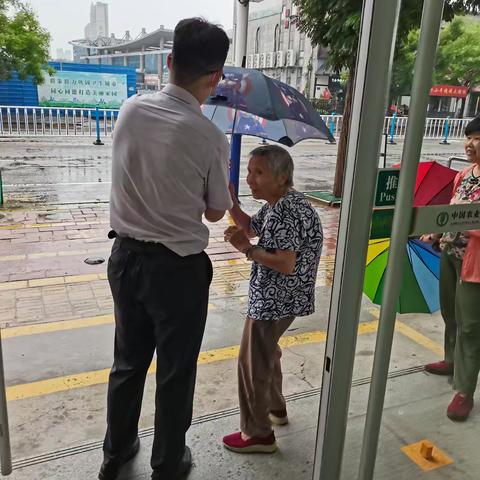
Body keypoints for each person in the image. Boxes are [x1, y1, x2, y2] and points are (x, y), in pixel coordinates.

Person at [99, 18, 231, 480]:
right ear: (215, 77)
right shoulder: (211, 136)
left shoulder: (130, 110)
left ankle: (116, 455)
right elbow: (217, 212)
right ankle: (167, 463)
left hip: (125, 260)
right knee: (176, 373)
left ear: (170, 62)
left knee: (128, 362)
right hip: (178, 271)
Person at [221, 145, 323, 453]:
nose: (250, 179)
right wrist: (230, 200)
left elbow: (285, 262)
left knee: (252, 361)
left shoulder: (285, 210)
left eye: (259, 173)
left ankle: (258, 434)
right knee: (267, 353)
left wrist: (246, 249)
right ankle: (276, 409)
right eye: (249, 171)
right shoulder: (281, 202)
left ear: (281, 177)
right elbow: (250, 227)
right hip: (282, 297)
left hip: (276, 298)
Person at [422, 116, 480, 422]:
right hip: (449, 253)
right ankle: (450, 359)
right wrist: (435, 231)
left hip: (475, 264)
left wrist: (465, 225)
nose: (469, 145)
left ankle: (464, 390)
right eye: (468, 138)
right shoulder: (464, 175)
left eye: (476, 138)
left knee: (471, 325)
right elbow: (450, 211)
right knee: (450, 313)